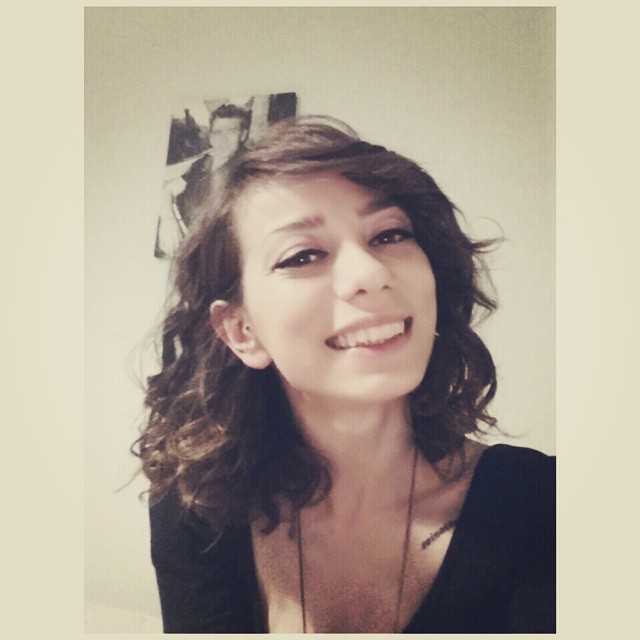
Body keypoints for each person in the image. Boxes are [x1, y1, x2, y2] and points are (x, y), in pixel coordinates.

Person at [135, 116, 555, 633]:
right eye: (302, 255)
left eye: (390, 234)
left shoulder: (541, 503)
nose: (371, 274)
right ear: (243, 332)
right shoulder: (197, 507)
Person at [174, 103, 250, 228]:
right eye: (218, 132)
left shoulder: (247, 168)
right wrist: (168, 218)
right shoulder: (204, 162)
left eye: (231, 131)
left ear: (243, 135)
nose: (223, 139)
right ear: (211, 137)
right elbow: (172, 188)